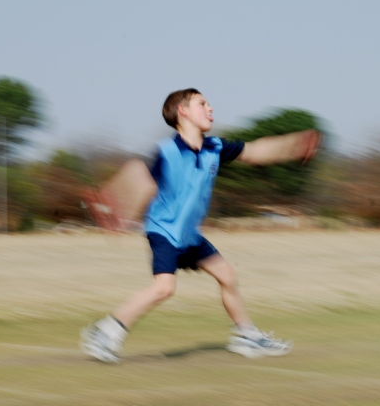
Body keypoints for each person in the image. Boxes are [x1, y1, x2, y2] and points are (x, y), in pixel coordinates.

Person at [80, 88, 321, 363]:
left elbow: (255, 151)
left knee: (228, 276)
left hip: (189, 235)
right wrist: (115, 207)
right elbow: (141, 178)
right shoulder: (168, 152)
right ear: (183, 111)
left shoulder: (214, 147)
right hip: (164, 232)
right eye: (202, 104)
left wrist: (295, 144)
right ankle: (106, 332)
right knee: (163, 288)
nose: (210, 109)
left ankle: (247, 337)